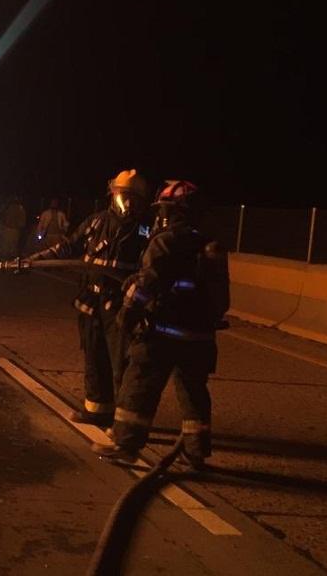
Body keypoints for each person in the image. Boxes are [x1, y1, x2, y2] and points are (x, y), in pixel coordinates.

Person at [94, 180, 229, 467]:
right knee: (194, 395)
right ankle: (196, 452)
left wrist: (128, 312)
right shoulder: (211, 245)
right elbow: (221, 299)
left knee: (139, 386)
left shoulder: (167, 240)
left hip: (162, 333)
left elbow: (148, 281)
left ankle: (125, 444)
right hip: (199, 338)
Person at [24, 170, 150, 426]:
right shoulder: (96, 222)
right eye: (125, 196)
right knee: (94, 358)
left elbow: (151, 268)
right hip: (92, 303)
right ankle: (96, 410)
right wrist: (35, 260)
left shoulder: (146, 230)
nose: (129, 203)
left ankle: (124, 421)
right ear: (113, 195)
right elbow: (69, 246)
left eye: (135, 198)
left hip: (121, 306)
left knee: (122, 364)